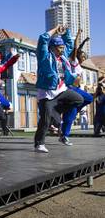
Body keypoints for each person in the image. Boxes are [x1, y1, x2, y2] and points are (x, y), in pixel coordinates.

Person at [34, 25, 83, 153]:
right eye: (60, 48)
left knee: (78, 99)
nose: (63, 50)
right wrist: (55, 30)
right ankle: (39, 143)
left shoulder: (63, 56)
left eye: (63, 48)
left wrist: (66, 31)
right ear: (53, 48)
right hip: (47, 93)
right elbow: (43, 39)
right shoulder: (44, 56)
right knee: (45, 120)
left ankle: (54, 111)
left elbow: (69, 44)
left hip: (60, 90)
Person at [59, 29, 92, 145]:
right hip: (71, 88)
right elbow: (76, 48)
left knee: (89, 98)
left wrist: (85, 41)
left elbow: (80, 48)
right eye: (83, 56)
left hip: (77, 89)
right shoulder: (73, 61)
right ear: (78, 55)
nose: (84, 57)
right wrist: (78, 35)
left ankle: (72, 110)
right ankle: (64, 135)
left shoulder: (80, 65)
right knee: (72, 113)